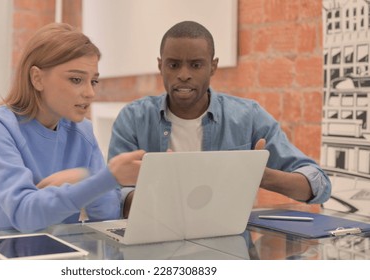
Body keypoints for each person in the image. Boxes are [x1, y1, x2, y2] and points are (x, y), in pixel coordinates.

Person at [108, 21, 331, 218]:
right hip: (153, 242)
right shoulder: (133, 118)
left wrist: (259, 175)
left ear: (212, 66)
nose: (184, 74)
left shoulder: (248, 117)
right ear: (160, 65)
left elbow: (319, 185)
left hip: (228, 244)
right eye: (173, 64)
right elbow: (112, 198)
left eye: (195, 65)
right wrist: (154, 195)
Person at [0, 23, 145, 232]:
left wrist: (85, 179)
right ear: (37, 78)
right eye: (76, 79)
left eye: (93, 81)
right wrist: (103, 178)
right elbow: (24, 214)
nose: (90, 93)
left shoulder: (82, 132)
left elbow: (106, 215)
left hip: (57, 253)